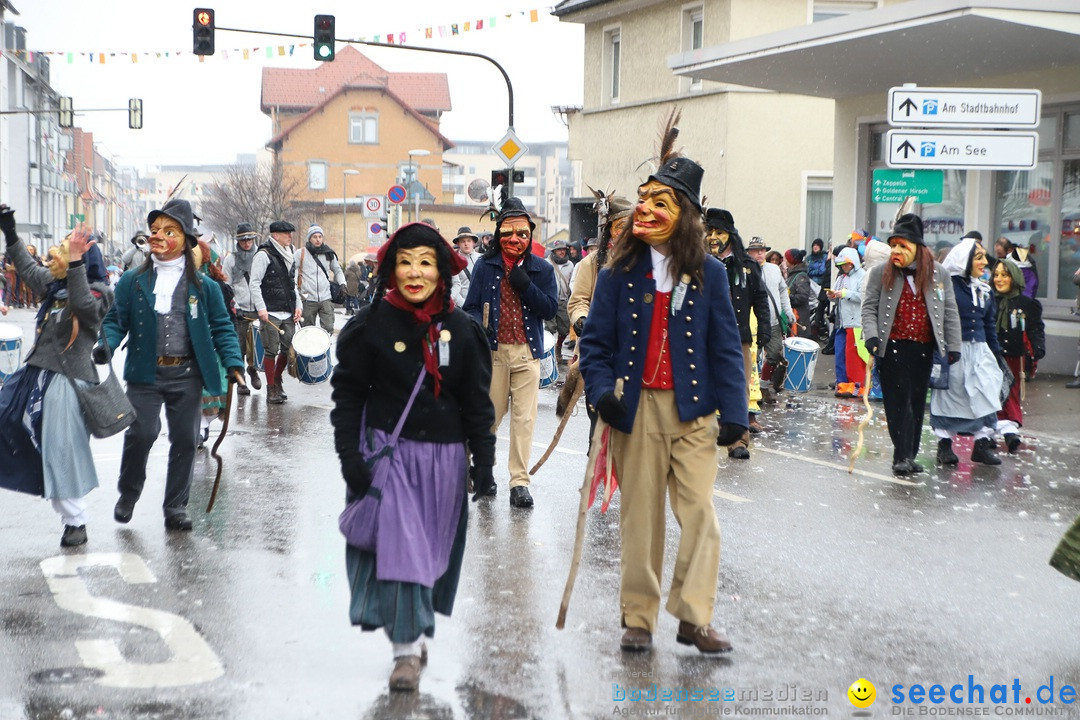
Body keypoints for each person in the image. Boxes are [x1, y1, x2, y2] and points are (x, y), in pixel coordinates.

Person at [578, 123, 747, 655]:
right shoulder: (616, 273)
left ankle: (694, 617)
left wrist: (737, 414)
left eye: (663, 201)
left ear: (687, 216)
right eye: (646, 199)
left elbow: (726, 347)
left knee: (700, 515)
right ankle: (639, 618)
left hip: (695, 411)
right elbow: (596, 347)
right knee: (641, 519)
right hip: (637, 408)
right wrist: (601, 391)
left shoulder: (711, 274)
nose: (648, 210)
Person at [330, 222, 496, 693]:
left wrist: (482, 461)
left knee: (428, 556)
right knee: (400, 552)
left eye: (425, 262)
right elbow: (347, 395)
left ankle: (413, 630)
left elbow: (477, 402)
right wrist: (348, 455)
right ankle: (404, 651)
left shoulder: (461, 330)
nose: (415, 273)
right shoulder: (371, 326)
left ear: (441, 270)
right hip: (390, 456)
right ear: (390, 269)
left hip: (444, 461)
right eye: (405, 262)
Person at [102, 198, 243, 531]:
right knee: (142, 431)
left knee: (185, 438)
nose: (158, 236)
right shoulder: (132, 281)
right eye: (155, 230)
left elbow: (222, 326)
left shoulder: (204, 287)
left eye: (169, 230)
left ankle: (176, 506)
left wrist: (234, 362)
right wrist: (104, 346)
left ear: (186, 240)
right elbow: (114, 320)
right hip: (144, 373)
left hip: (187, 373)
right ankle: (128, 492)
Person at [0, 208, 110, 547]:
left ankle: (75, 521)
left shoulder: (100, 291)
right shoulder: (55, 283)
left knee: (62, 449)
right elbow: (31, 271)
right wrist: (11, 233)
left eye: (65, 250)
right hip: (36, 374)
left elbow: (83, 307)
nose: (56, 254)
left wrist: (76, 262)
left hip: (68, 380)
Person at [463, 197, 558, 509]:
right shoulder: (484, 266)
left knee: (524, 420)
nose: (515, 239)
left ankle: (519, 483)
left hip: (527, 354)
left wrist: (525, 285)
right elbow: (472, 308)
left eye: (522, 232)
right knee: (489, 417)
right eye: (508, 232)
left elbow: (549, 309)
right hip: (494, 354)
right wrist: (476, 328)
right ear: (498, 233)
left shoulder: (542, 269)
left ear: (530, 234)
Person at [862, 213, 961, 477]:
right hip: (892, 347)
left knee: (917, 403)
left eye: (902, 245)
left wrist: (953, 346)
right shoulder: (879, 272)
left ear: (917, 246)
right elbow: (869, 307)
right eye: (893, 244)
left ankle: (910, 454)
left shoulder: (938, 273)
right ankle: (901, 455)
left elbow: (949, 310)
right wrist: (871, 336)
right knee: (898, 403)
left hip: (924, 348)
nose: (896, 250)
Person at [928, 237, 1004, 466]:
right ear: (965, 260)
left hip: (980, 350)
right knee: (951, 397)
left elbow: (989, 324)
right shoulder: (947, 285)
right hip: (954, 350)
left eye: (984, 257)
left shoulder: (984, 290)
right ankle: (944, 446)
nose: (984, 262)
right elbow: (937, 319)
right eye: (978, 257)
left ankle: (981, 446)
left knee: (985, 393)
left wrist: (996, 353)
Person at [568, 192, 632, 442]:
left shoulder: (647, 263)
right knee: (599, 417)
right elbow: (579, 300)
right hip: (599, 351)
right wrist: (583, 318)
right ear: (610, 230)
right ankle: (597, 467)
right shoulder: (592, 263)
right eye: (620, 227)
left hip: (633, 354)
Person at [706, 207, 769, 453]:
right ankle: (702, 438)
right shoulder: (698, 263)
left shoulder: (746, 265)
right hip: (703, 336)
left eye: (719, 232)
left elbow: (760, 298)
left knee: (738, 386)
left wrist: (764, 328)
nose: (713, 237)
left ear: (730, 235)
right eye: (709, 231)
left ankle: (739, 440)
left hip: (737, 337)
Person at [992, 259, 1045, 453]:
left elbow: (1036, 328)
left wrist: (1038, 348)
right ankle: (993, 431)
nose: (999, 279)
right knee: (992, 395)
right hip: (991, 357)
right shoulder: (989, 299)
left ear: (1014, 277)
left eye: (1004, 275)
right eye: (996, 274)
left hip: (1015, 358)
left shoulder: (1028, 304)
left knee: (1010, 394)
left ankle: (1010, 431)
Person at [250, 220, 303, 404]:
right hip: (270, 311)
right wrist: (261, 308)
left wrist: (298, 305)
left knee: (288, 348)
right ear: (275, 235)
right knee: (270, 350)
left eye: (290, 233)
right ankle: (271, 387)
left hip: (287, 310)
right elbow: (254, 283)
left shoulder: (290, 254)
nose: (290, 235)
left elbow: (292, 285)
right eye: (286, 233)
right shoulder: (263, 255)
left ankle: (278, 379)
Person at [222, 222, 264, 396]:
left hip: (258, 308)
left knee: (256, 345)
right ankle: (241, 381)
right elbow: (226, 285)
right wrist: (235, 306)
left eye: (249, 239)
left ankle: (253, 370)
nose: (247, 243)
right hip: (239, 310)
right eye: (243, 240)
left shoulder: (261, 256)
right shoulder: (230, 259)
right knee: (239, 347)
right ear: (238, 241)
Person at [748, 237, 792, 400]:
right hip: (753, 322)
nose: (760, 253)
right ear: (749, 252)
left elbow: (782, 291)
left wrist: (788, 311)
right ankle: (750, 392)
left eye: (762, 250)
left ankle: (764, 385)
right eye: (756, 250)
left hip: (773, 322)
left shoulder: (774, 269)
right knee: (752, 358)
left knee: (773, 354)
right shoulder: (745, 269)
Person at [826, 247, 866, 397]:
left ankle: (857, 386)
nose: (843, 267)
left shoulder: (862, 275)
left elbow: (863, 296)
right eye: (841, 265)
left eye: (845, 264)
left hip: (855, 323)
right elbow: (836, 293)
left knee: (853, 357)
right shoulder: (841, 277)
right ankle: (842, 384)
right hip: (841, 322)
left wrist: (844, 294)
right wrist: (832, 295)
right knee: (840, 354)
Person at [297, 225, 346, 334]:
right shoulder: (301, 253)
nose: (318, 239)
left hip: (325, 297)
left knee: (328, 328)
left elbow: (337, 270)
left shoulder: (328, 253)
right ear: (309, 238)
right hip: (308, 298)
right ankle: (308, 350)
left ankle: (325, 351)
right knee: (307, 330)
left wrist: (343, 284)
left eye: (320, 236)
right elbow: (291, 272)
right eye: (315, 237)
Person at [545, 239, 574, 367]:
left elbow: (573, 282)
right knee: (550, 328)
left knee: (564, 329)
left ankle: (558, 346)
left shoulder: (570, 265)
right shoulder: (546, 263)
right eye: (559, 250)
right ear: (554, 251)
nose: (561, 252)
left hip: (563, 301)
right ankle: (551, 353)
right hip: (549, 299)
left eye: (563, 250)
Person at [784, 248, 813, 337]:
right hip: (794, 315)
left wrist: (786, 297)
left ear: (791, 261)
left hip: (799, 317)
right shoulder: (792, 275)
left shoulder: (801, 276)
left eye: (786, 259)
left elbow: (803, 296)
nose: (784, 261)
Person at [449, 226, 480, 308]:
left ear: (473, 243)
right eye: (463, 241)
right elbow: (454, 286)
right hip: (462, 307)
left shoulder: (481, 259)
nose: (466, 244)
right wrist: (464, 305)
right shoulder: (453, 261)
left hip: (480, 306)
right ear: (458, 244)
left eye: (469, 241)